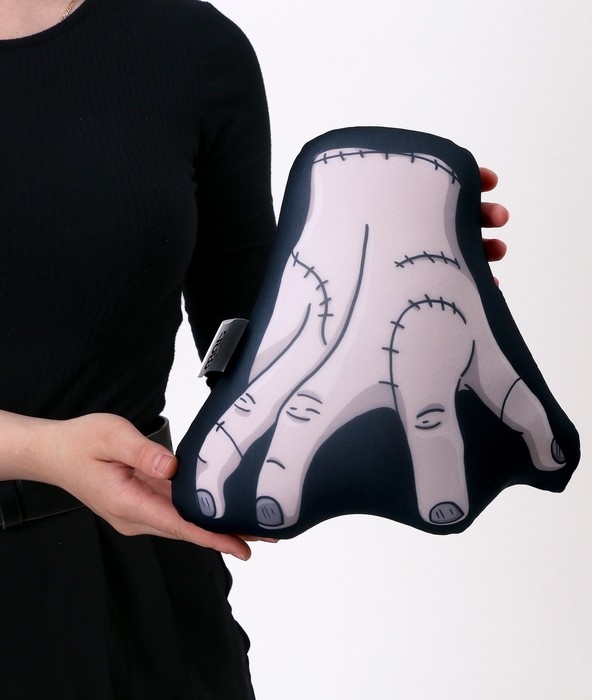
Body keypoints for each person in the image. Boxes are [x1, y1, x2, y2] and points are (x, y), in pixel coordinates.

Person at [0, 0, 510, 697]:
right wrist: (40, 452)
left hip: (136, 593)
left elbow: (259, 339)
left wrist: (386, 286)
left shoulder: (189, 47)